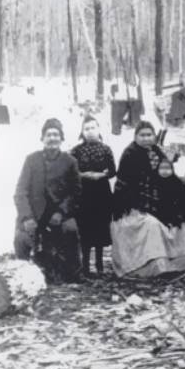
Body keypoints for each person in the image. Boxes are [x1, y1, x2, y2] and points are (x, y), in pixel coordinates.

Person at [110, 121, 185, 278]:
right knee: (152, 224)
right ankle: (152, 268)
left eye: (149, 135)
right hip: (132, 205)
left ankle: (176, 266)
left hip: (156, 201)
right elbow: (127, 186)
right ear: (135, 137)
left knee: (177, 221)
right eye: (142, 135)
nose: (146, 138)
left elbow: (167, 176)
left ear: (154, 137)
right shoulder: (129, 154)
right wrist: (145, 204)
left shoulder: (158, 152)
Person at [13, 118, 82, 283]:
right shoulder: (31, 160)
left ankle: (72, 272)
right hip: (35, 214)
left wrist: (62, 211)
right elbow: (20, 192)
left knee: (70, 229)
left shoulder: (70, 161)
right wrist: (27, 217)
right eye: (48, 134)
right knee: (21, 237)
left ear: (61, 138)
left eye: (56, 134)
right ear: (42, 138)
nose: (52, 138)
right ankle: (21, 276)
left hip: (59, 214)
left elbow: (76, 192)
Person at [70, 116, 116, 276]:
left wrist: (102, 175)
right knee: (85, 228)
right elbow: (71, 172)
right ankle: (85, 266)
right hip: (84, 195)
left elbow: (112, 170)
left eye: (93, 128)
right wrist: (84, 175)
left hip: (101, 193)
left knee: (100, 227)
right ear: (82, 132)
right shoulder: (76, 151)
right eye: (86, 128)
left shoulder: (106, 149)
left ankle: (99, 264)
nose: (90, 132)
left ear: (99, 129)